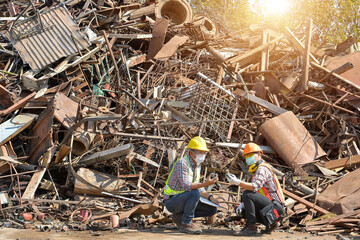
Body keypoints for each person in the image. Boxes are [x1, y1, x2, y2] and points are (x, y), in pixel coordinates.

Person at [226, 142, 285, 236]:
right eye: (246, 156)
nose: (248, 158)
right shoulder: (255, 169)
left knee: (247, 194)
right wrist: (242, 204)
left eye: (250, 155)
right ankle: (270, 224)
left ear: (259, 154)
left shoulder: (262, 169)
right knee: (243, 208)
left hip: (275, 207)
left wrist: (237, 182)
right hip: (270, 205)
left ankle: (251, 228)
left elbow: (254, 187)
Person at [163, 136, 219, 234]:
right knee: (194, 193)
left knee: (212, 209)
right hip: (172, 201)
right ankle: (186, 224)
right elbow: (186, 186)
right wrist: (206, 183)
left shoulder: (197, 166)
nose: (203, 155)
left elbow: (200, 188)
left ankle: (179, 216)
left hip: (184, 199)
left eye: (204, 152)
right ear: (191, 153)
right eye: (200, 152)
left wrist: (211, 198)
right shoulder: (182, 163)